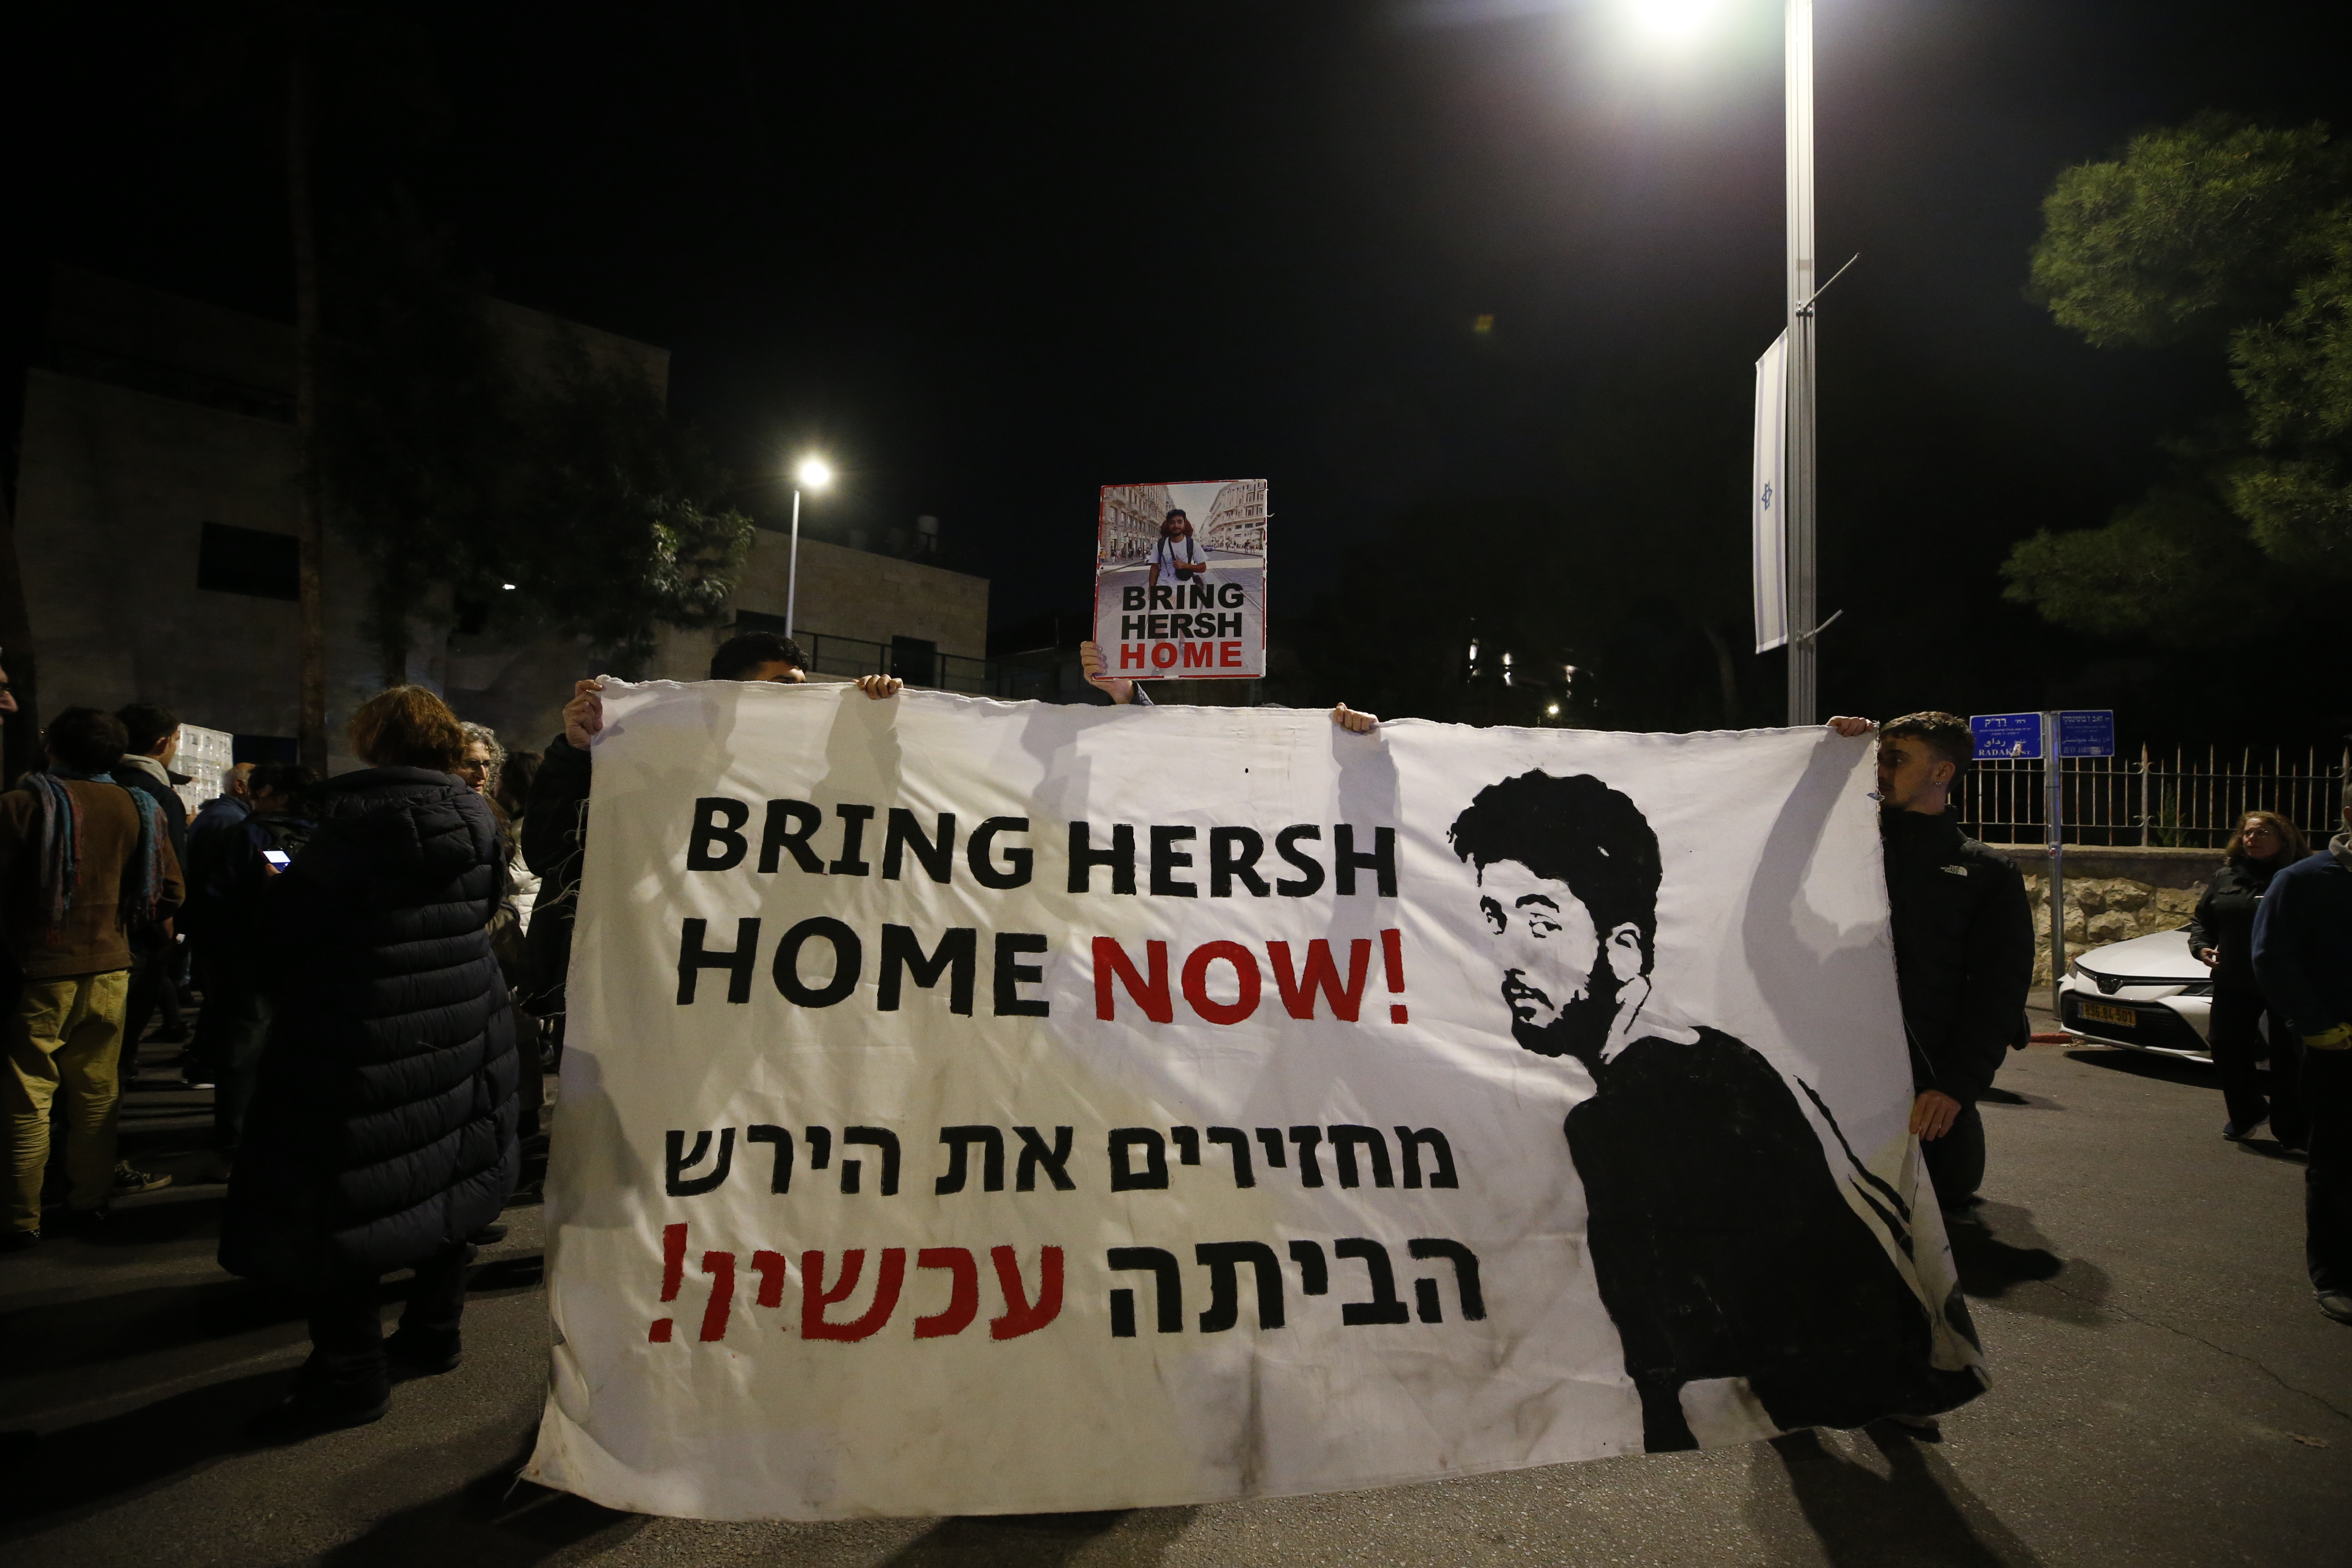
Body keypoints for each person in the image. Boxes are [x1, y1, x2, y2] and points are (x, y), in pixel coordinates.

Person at [1449, 767, 1980, 1451]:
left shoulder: (1641, 1107)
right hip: (1866, 1368)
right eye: (1493, 920)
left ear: (1625, 949)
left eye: (1540, 922)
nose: (1507, 955)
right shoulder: (1714, 1054)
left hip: (1829, 1380)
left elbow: (1672, 1336)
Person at [220, 686, 518, 1432]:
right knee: (448, 1173)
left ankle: (350, 1376)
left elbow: (287, 933)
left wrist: (276, 893)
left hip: (363, 1025)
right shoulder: (478, 817)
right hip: (460, 1015)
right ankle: (433, 1332)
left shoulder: (352, 824)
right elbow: (482, 906)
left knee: (340, 1197)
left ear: (373, 744)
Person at [520, 633, 902, 1058]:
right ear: (735, 692)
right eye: (785, 688)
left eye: (804, 688)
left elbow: (861, 838)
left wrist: (874, 732)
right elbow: (549, 852)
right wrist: (576, 753)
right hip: (635, 984)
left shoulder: (803, 774)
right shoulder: (648, 756)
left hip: (738, 982)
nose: (804, 701)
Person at [1829, 712, 2034, 1220]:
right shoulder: (1846, 851)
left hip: (1929, 1090)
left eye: (1896, 759)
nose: (1879, 769)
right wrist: (1830, 754)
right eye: (1878, 757)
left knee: (1939, 1209)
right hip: (1840, 1077)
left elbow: (1998, 992)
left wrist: (1955, 1088)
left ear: (1941, 774)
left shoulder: (1988, 873)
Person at [0, 708, 185, 1251]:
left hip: (38, 971)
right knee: (97, 1095)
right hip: (111, 969)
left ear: (53, 748)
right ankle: (90, 1202)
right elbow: (170, 893)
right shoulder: (139, 807)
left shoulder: (20, 806)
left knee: (27, 1097)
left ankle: (20, 1217)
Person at [181, 762, 315, 1176]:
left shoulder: (246, 835)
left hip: (250, 961)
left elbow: (214, 899)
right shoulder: (324, 835)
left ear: (271, 792)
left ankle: (236, 1141)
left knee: (243, 1050)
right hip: (309, 961)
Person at [2251, 792, 2352, 1326]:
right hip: (2338, 1049)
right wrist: (2316, 1026)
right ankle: (2337, 1276)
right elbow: (2272, 957)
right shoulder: (2306, 881)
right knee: (2338, 1164)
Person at [2190, 811, 2309, 1147]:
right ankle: (2248, 1112)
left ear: (2284, 838)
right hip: (2235, 979)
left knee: (2289, 1058)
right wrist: (2201, 948)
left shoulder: (2299, 877)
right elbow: (2203, 921)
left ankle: (2292, 1128)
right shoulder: (2226, 876)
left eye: (2262, 833)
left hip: (2286, 981)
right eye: (2247, 833)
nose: (2252, 839)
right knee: (2225, 1046)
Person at [114, 704, 193, 1083]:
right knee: (118, 1048)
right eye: (178, 739)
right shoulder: (158, 795)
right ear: (163, 743)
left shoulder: (90, 782)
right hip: (142, 935)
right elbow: (171, 872)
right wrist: (168, 927)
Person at [1076, 639, 1380, 732]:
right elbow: (1161, 744)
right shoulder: (1182, 732)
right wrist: (1123, 691)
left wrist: (1354, 734)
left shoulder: (1274, 723)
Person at [1146, 509, 1208, 593]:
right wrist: (1151, 590)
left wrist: (1185, 566)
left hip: (1186, 592)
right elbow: (1154, 569)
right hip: (1163, 591)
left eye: (1179, 522)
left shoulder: (1193, 544)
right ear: (1168, 524)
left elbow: (1203, 568)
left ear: (1184, 524)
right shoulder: (1160, 545)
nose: (1176, 526)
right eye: (1172, 522)